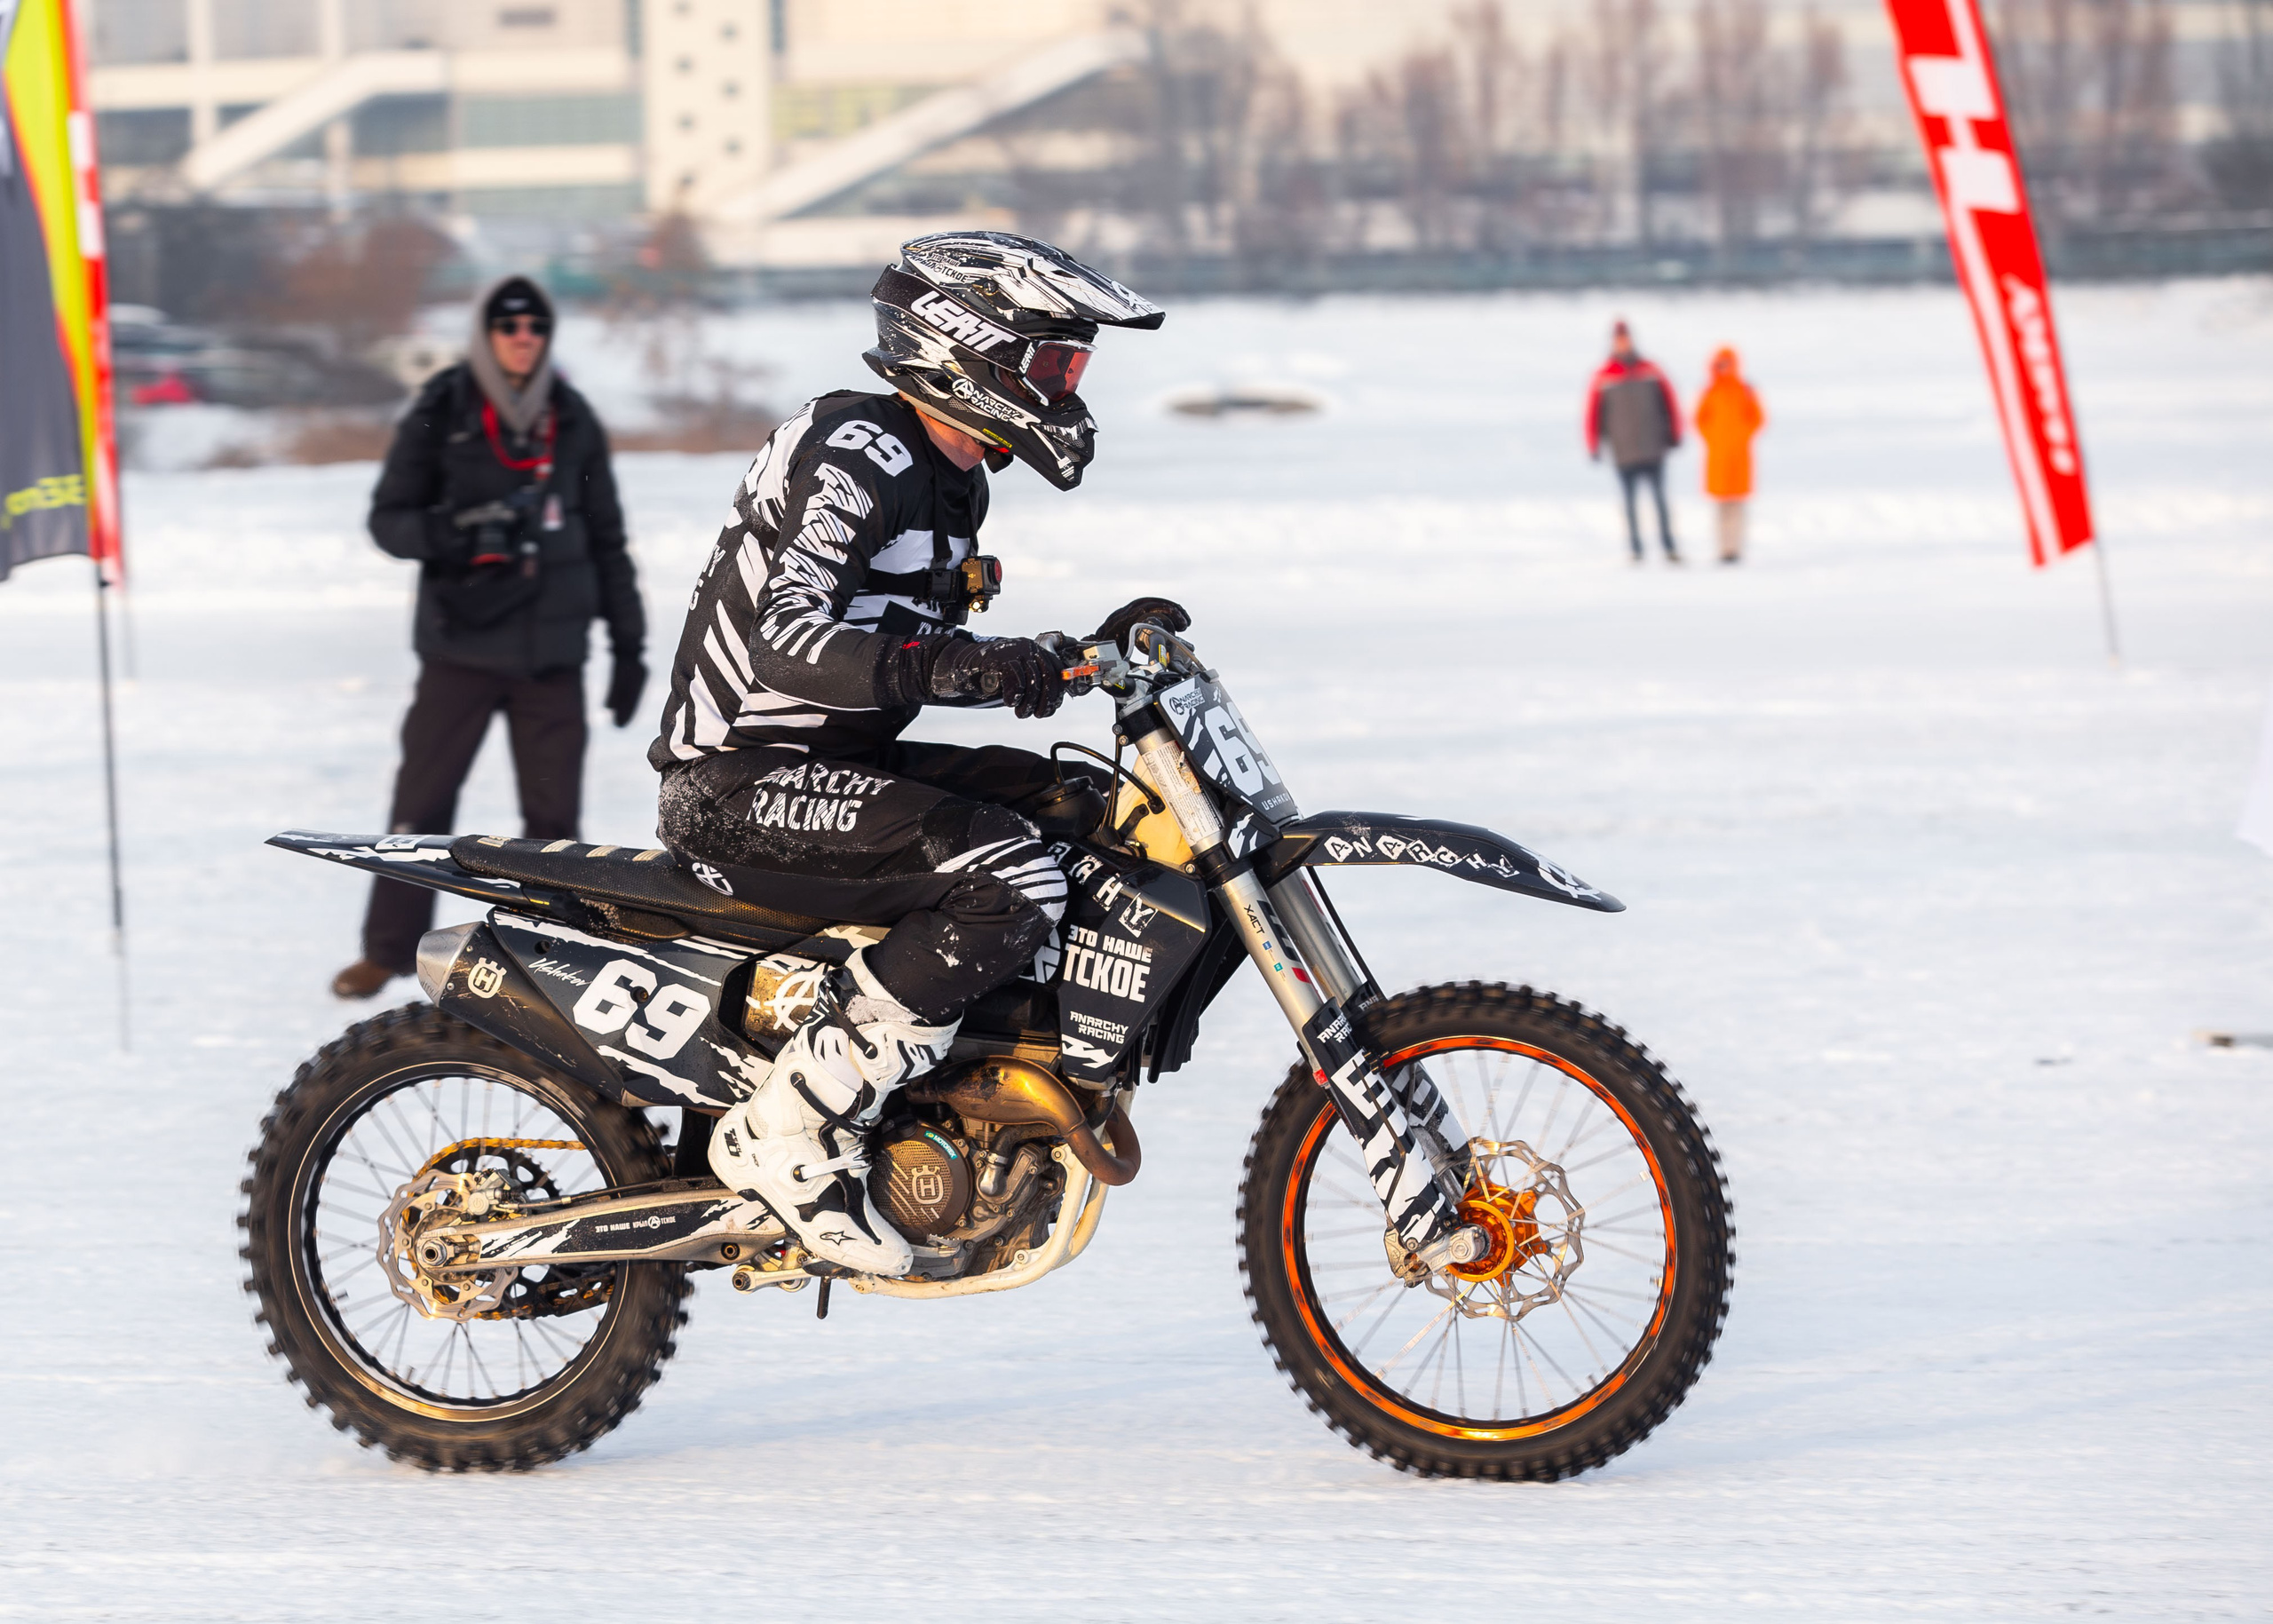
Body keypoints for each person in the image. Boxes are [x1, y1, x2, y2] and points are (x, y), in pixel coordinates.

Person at [650, 231, 1174, 1276]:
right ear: (969, 347)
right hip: (738, 781)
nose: (1066, 389)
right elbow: (786, 640)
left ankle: (971, 1088)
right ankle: (795, 1127)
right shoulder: (857, 449)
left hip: (838, 765)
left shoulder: (953, 477)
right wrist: (965, 667)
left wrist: (1074, 657)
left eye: (1073, 367)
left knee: (1080, 805)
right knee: (1009, 873)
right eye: (1052, 362)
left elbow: (907, 646)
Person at [331, 275, 646, 999]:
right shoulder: (443, 408)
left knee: (553, 828)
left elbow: (607, 539)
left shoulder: (571, 417)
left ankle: (553, 961)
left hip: (552, 656)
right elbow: (387, 520)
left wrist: (629, 648)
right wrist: (455, 533)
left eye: (536, 326)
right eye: (509, 326)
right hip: (461, 649)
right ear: (486, 334)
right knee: (421, 806)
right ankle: (385, 951)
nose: (523, 338)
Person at [1584, 319, 1683, 565]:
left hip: (1653, 447)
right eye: (1618, 339)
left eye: (1625, 338)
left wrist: (1675, 432)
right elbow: (1593, 414)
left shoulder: (1651, 369)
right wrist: (1593, 444)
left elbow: (1670, 403)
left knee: (1660, 501)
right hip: (1624, 450)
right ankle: (1636, 548)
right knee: (1629, 504)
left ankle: (1668, 546)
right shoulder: (1604, 375)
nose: (1623, 343)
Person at [1695, 346, 1765, 564]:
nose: (1723, 368)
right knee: (1721, 507)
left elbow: (1757, 418)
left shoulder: (1745, 390)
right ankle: (1723, 548)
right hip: (1717, 457)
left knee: (1737, 506)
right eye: (1720, 364)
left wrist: (1743, 435)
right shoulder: (1710, 391)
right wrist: (1713, 438)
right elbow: (1699, 420)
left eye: (1727, 364)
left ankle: (1735, 548)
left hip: (1739, 456)